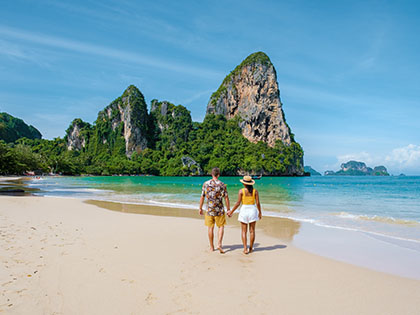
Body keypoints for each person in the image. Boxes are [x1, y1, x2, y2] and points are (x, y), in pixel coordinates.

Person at [227, 175, 262, 254]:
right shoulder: (255, 191)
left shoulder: (241, 191)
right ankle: (251, 248)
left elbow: (238, 203)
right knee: (252, 231)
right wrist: (260, 212)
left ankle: (245, 249)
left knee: (244, 231)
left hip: (244, 210)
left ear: (244, 184)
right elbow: (258, 203)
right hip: (253, 210)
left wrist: (231, 212)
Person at [199, 167, 230, 254]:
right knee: (221, 227)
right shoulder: (222, 185)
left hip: (209, 209)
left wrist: (200, 208)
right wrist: (228, 209)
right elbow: (226, 198)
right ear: (218, 175)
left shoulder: (206, 184)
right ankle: (219, 244)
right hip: (219, 209)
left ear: (212, 174)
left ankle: (212, 247)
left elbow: (202, 196)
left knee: (210, 228)